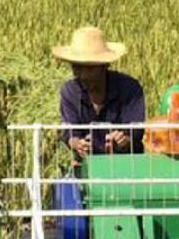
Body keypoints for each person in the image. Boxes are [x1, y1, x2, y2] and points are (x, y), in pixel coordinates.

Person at [53, 26, 146, 159]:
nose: (83, 75)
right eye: (77, 68)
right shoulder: (70, 92)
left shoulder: (130, 89)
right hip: (87, 167)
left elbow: (136, 131)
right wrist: (77, 144)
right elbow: (70, 132)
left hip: (127, 165)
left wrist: (123, 140)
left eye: (90, 69)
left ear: (105, 65)